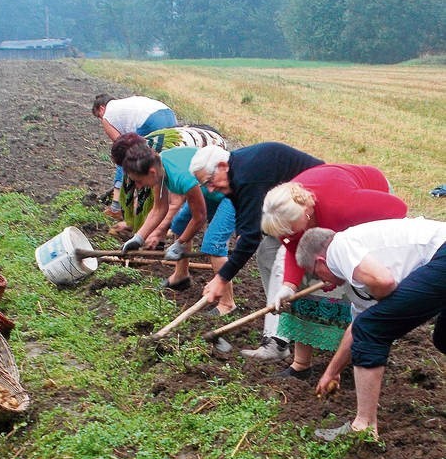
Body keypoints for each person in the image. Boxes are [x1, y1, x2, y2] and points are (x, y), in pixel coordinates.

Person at [293, 217, 446, 439]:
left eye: (317, 275)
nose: (324, 283)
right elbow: (356, 328)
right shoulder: (358, 269)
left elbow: (383, 283)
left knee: (372, 328)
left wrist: (383, 307)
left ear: (320, 261)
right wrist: (332, 371)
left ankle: (363, 426)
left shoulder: (339, 248)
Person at [260, 165, 408, 379]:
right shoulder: (283, 216)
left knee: (355, 292)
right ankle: (301, 366)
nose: (287, 235)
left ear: (307, 212)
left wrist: (359, 246)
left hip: (368, 210)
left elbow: (398, 209)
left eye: (291, 229)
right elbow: (294, 248)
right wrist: (288, 286)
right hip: (329, 223)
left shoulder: (343, 206)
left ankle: (348, 359)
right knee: (308, 288)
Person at [189, 142, 324, 356]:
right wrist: (243, 238)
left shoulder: (247, 175)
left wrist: (221, 279)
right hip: (288, 211)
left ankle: (277, 342)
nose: (210, 189)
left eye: (209, 182)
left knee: (281, 257)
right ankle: (281, 328)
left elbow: (251, 239)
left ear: (223, 165)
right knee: (267, 253)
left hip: (314, 206)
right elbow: (246, 222)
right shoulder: (236, 171)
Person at [113, 135, 236, 298]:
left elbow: (199, 217)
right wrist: (138, 238)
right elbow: (159, 209)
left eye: (139, 181)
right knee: (180, 224)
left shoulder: (182, 177)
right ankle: (181, 276)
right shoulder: (159, 167)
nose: (138, 186)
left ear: (151, 172)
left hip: (231, 194)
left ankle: (227, 303)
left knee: (214, 244)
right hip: (207, 190)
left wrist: (180, 243)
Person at [112, 126, 227, 241]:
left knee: (211, 220)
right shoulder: (148, 158)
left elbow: (175, 203)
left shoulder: (163, 164)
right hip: (189, 153)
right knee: (181, 223)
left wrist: (157, 232)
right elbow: (158, 205)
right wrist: (136, 232)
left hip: (212, 144)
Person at [92, 94, 177, 219]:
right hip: (169, 115)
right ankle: (162, 209)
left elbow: (121, 146)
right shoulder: (124, 104)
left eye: (99, 116)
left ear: (101, 108)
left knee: (126, 157)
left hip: (150, 120)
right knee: (161, 162)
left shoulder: (107, 116)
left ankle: (117, 208)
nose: (101, 119)